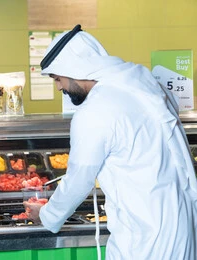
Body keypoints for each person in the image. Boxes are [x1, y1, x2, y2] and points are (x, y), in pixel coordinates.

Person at [24, 24, 197, 260]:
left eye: (58, 78)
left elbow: (78, 180)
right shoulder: (144, 85)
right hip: (183, 225)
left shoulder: (96, 110)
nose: (59, 87)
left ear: (73, 67)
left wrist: (46, 214)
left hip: (145, 235)